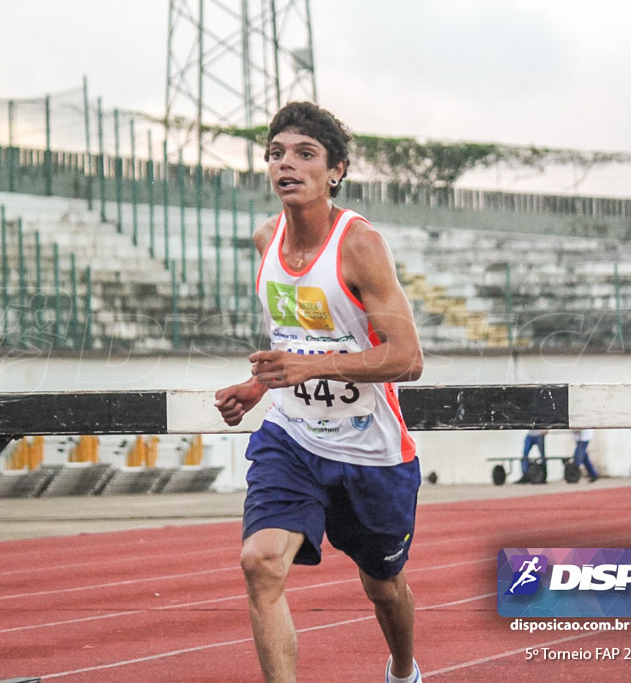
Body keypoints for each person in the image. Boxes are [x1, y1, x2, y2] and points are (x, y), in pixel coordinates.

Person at [214, 101, 424, 683]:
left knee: (383, 587)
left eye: (305, 154)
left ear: (336, 171)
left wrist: (313, 367)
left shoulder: (359, 245)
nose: (287, 164)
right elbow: (294, 336)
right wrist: (260, 385)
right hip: (293, 438)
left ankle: (403, 671)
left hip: (370, 453)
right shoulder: (265, 240)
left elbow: (407, 358)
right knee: (260, 564)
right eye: (276, 153)